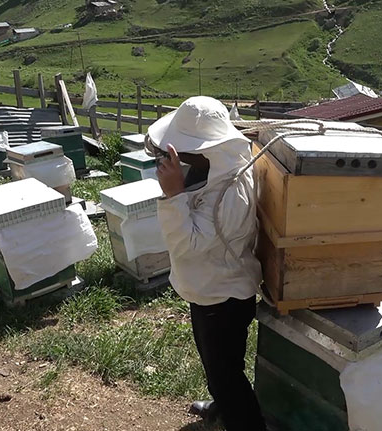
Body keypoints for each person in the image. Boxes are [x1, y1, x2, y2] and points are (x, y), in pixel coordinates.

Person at [146, 96, 267, 431]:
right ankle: (222, 402)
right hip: (211, 291)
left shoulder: (230, 193)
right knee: (220, 364)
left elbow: (190, 245)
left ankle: (245, 421)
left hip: (222, 297)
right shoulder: (216, 170)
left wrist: (173, 196)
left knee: (226, 373)